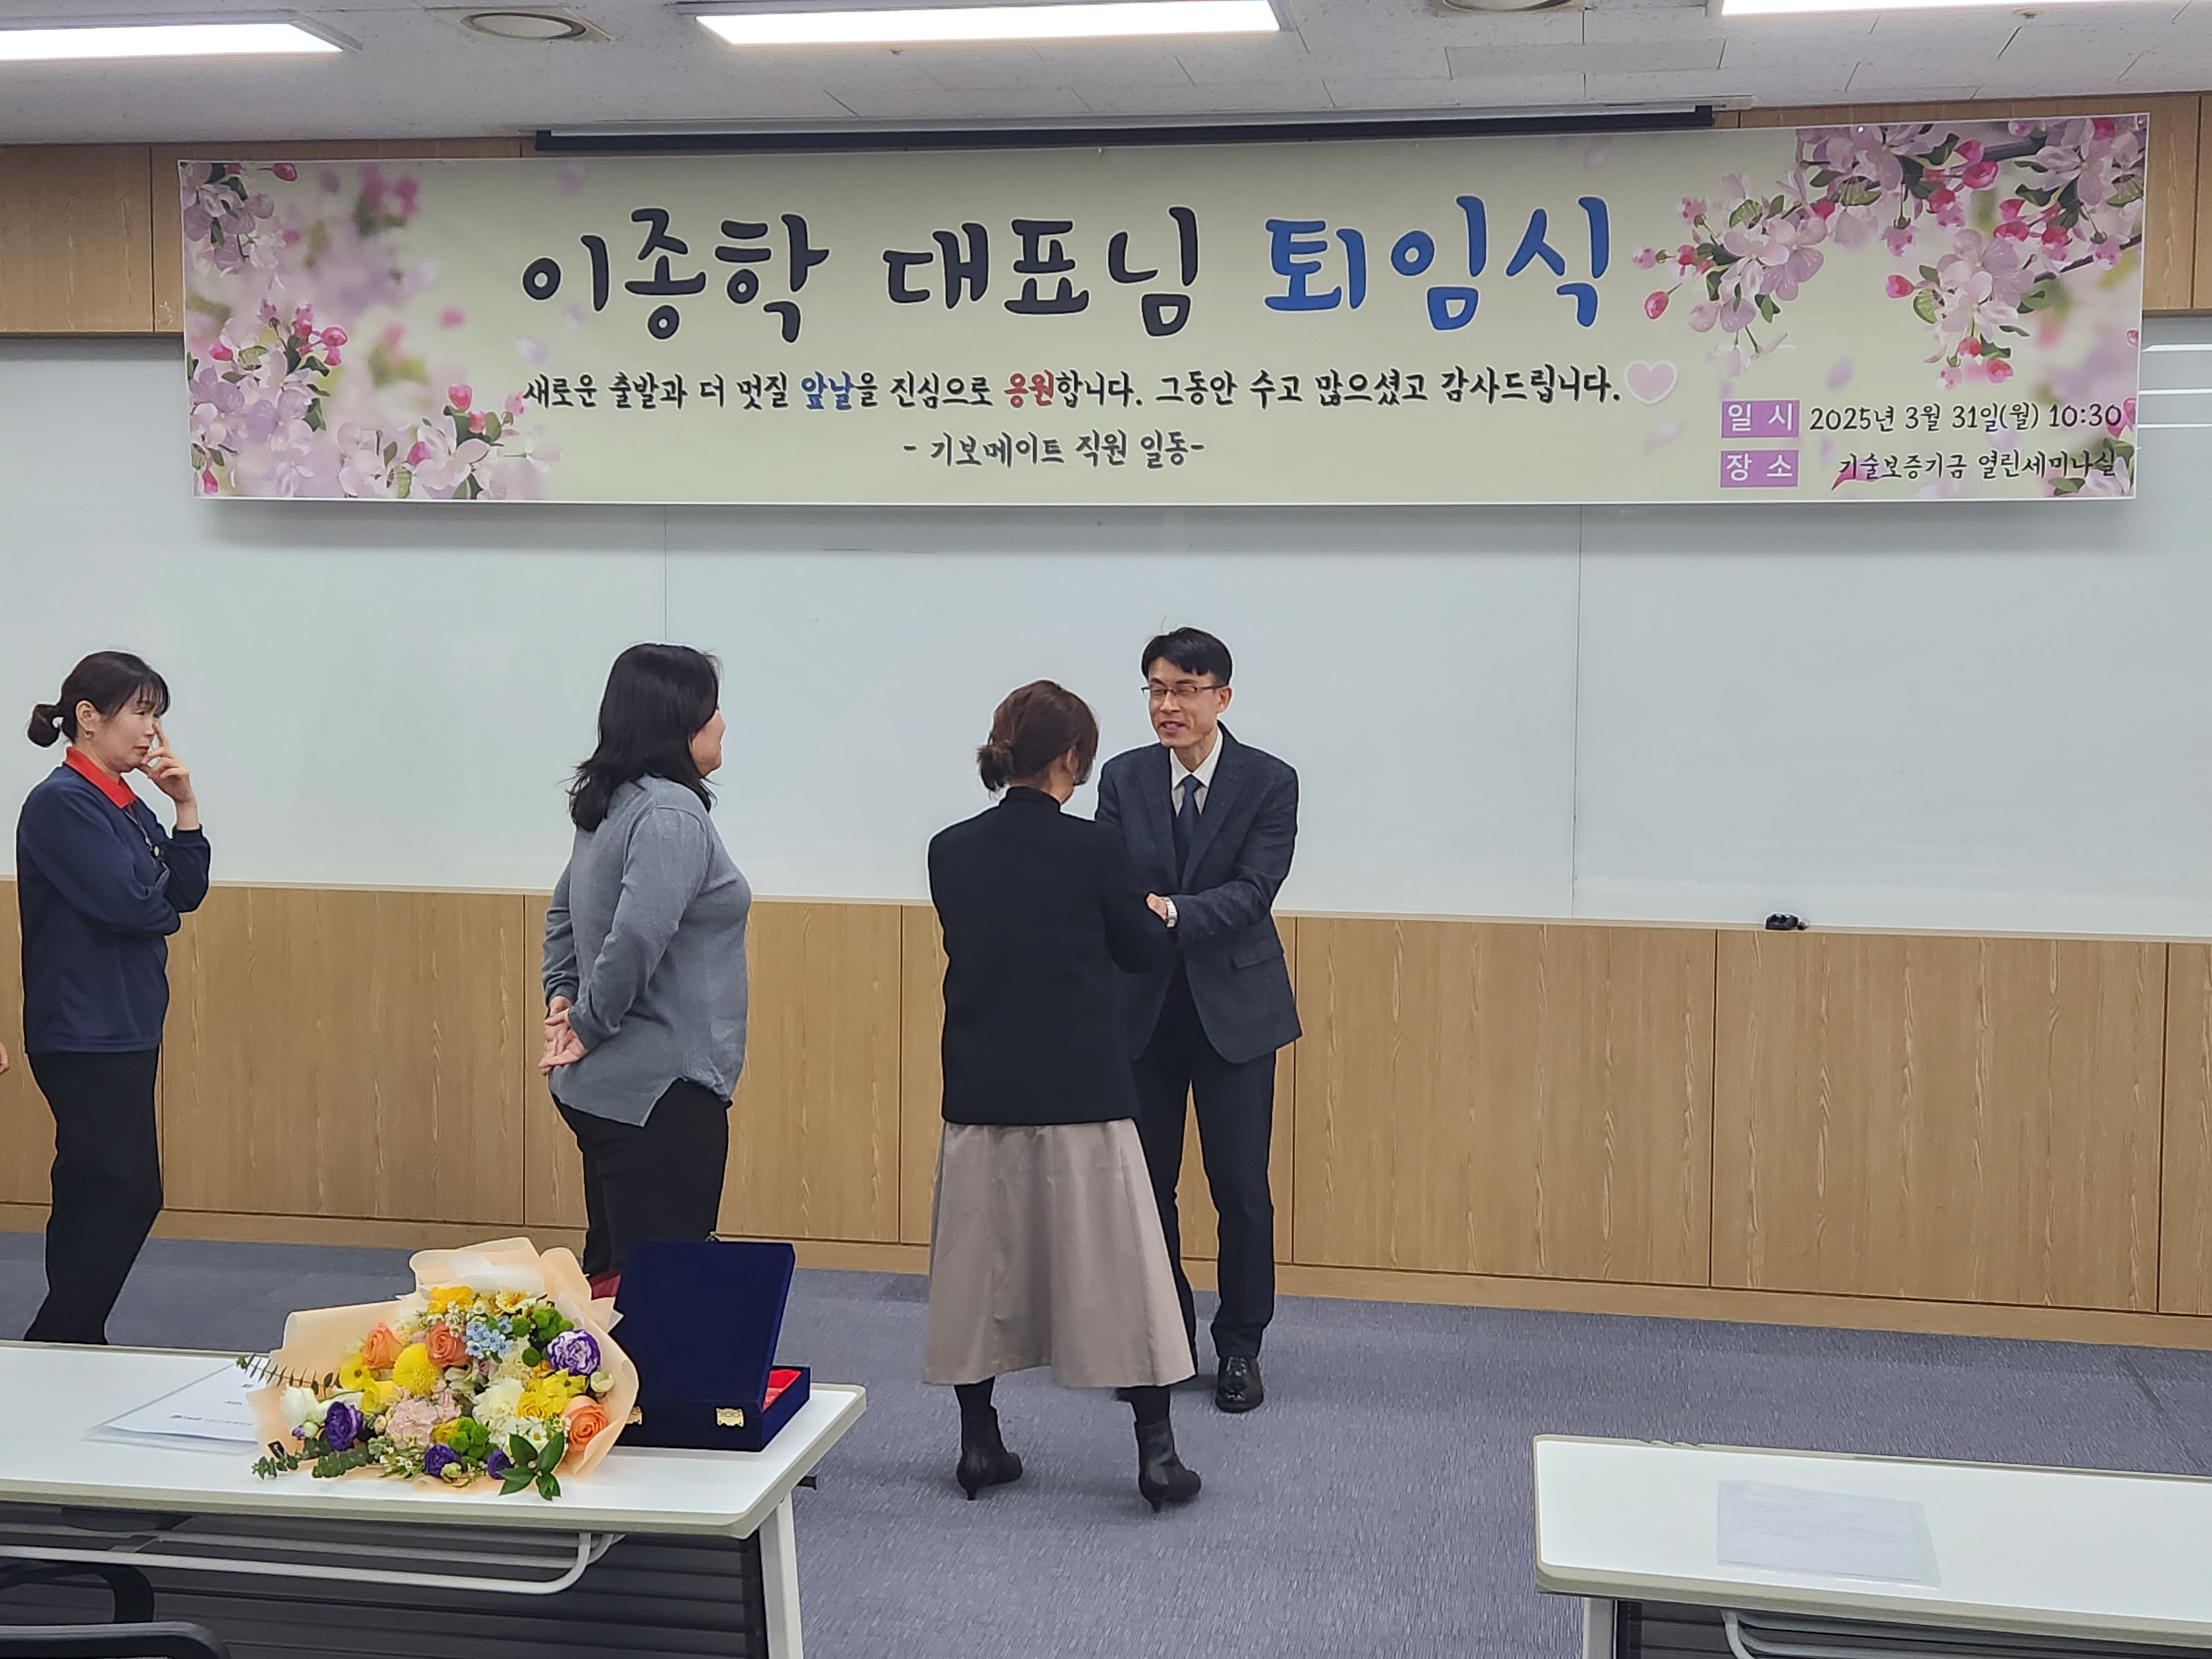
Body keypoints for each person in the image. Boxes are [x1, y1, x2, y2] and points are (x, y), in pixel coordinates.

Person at [924, 680, 1201, 1512]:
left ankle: (979, 1444)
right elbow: (1143, 951)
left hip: (982, 1090)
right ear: (1072, 758)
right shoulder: (1095, 850)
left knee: (977, 1273)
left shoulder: (949, 849)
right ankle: (1156, 1456)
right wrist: (1150, 913)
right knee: (1122, 1271)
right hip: (1082, 1090)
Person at [1095, 628, 1300, 1415]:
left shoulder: (1268, 781)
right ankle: (1162, 1340)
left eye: (1184, 689)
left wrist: (1172, 911)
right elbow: (1111, 880)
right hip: (1142, 1011)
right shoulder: (1124, 777)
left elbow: (1254, 891)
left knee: (1239, 1188)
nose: (1167, 705)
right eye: (1156, 689)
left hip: (1235, 1013)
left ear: (1222, 697)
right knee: (1146, 1188)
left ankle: (1240, 1346)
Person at [541, 644, 750, 1296]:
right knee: (665, 1292)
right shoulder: (669, 813)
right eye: (712, 708)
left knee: (614, 1278)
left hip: (612, 1089)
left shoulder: (616, 803)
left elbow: (562, 915)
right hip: (660, 1090)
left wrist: (563, 999)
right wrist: (586, 1021)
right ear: (679, 721)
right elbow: (636, 936)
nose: (723, 723)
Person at [17, 651, 209, 1344]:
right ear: (89, 718)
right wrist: (158, 905)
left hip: (126, 1020)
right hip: (81, 1026)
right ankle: (61, 1334)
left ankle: (73, 1336)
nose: (151, 730)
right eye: (140, 712)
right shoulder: (62, 802)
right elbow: (134, 906)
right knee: (125, 1188)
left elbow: (184, 891)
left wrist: (184, 806)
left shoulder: (123, 800)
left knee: (96, 1186)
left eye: (156, 715)